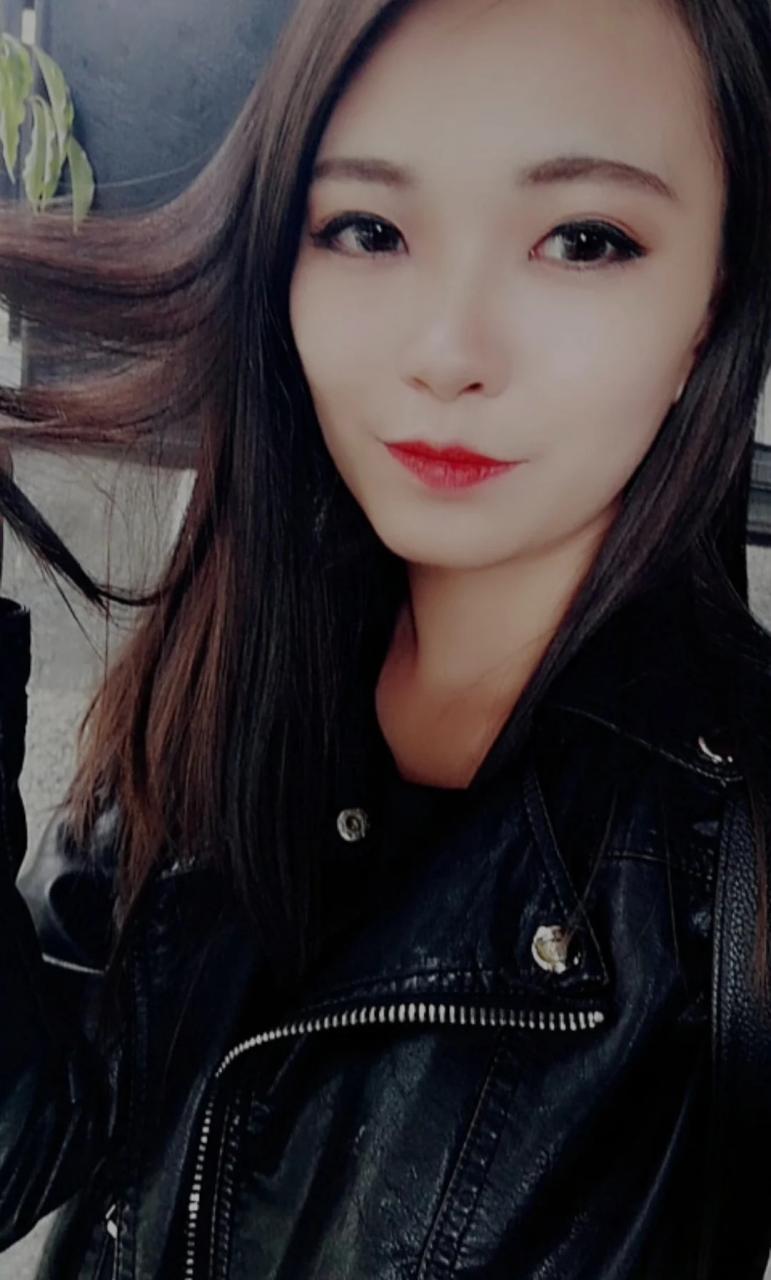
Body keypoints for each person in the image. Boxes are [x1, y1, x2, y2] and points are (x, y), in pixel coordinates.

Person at [1, 0, 771, 1275]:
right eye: (368, 228)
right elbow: (31, 1133)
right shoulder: (230, 660)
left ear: (712, 301)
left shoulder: (731, 854)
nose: (448, 351)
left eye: (584, 239)